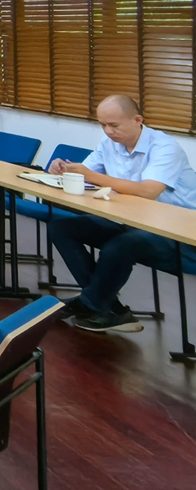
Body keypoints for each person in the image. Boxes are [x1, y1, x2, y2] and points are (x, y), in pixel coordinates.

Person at [47, 95, 196, 333]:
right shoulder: (109, 144)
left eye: (114, 125)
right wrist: (62, 169)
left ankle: (92, 303)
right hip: (132, 222)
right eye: (103, 125)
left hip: (176, 233)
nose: (108, 131)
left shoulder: (165, 148)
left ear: (138, 120)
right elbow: (83, 174)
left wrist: (90, 175)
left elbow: (148, 191)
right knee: (61, 227)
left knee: (120, 246)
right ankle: (104, 306)